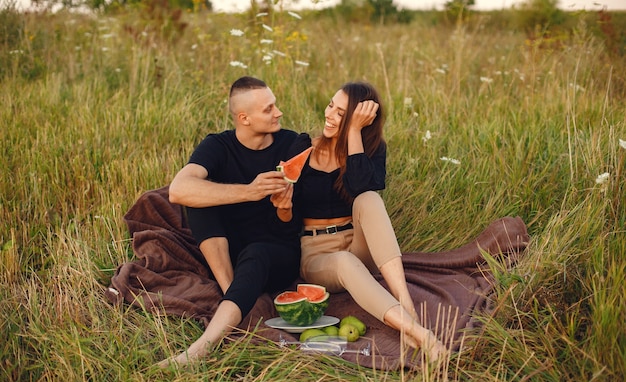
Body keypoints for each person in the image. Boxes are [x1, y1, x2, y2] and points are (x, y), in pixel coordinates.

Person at [285, 82, 447, 362]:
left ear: (358, 121)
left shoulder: (371, 150)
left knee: (369, 199)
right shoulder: (302, 147)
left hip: (359, 244)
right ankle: (420, 333)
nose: (330, 115)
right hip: (318, 253)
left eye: (341, 113)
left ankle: (405, 302)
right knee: (345, 262)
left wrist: (353, 133)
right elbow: (286, 217)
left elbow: (360, 186)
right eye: (330, 106)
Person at [158, 76, 301, 367]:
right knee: (197, 199)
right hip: (230, 254)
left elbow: (292, 225)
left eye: (275, 105)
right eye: (268, 109)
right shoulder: (218, 145)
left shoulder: (292, 144)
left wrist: (285, 208)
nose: (278, 113)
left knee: (257, 252)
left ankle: (200, 350)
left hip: (277, 254)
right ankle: (231, 293)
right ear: (244, 118)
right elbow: (178, 189)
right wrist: (250, 191)